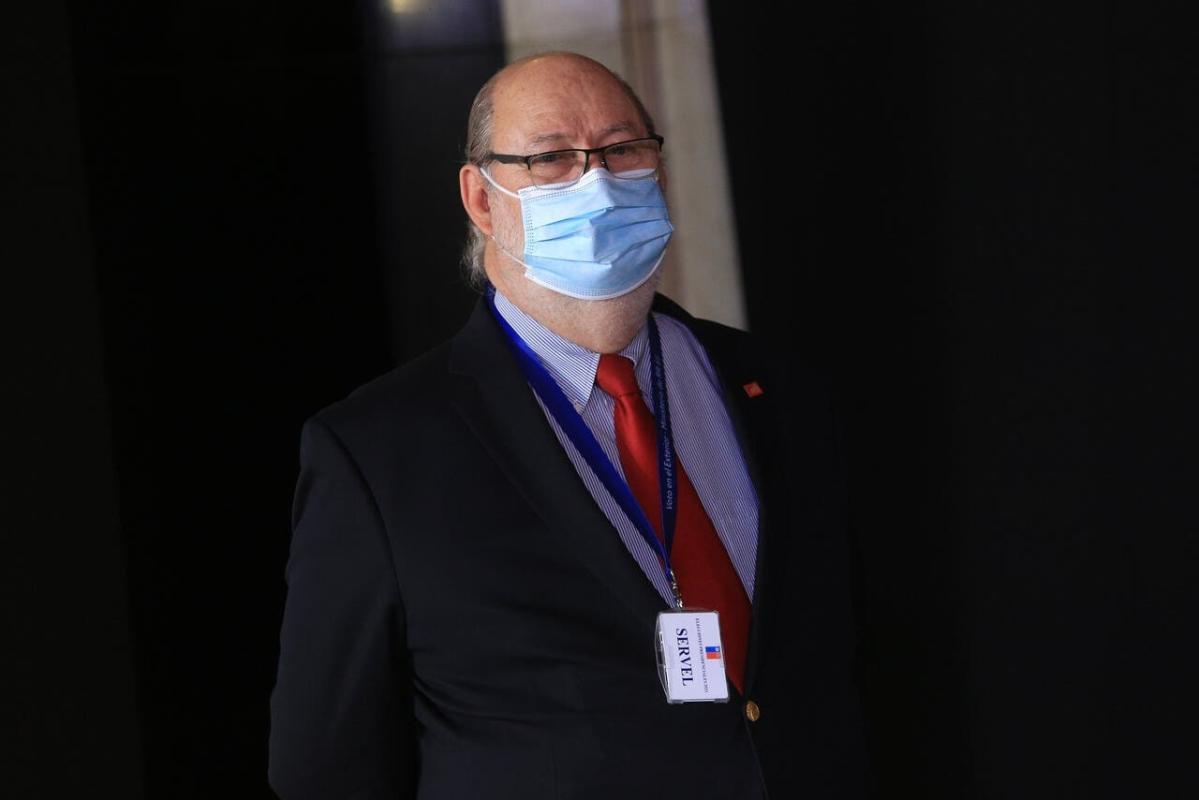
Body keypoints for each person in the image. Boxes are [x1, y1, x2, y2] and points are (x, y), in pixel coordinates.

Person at [268, 51, 869, 799]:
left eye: (622, 149)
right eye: (550, 158)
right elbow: (323, 767)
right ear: (481, 200)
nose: (597, 182)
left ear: (658, 170)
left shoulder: (780, 388)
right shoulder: (377, 453)